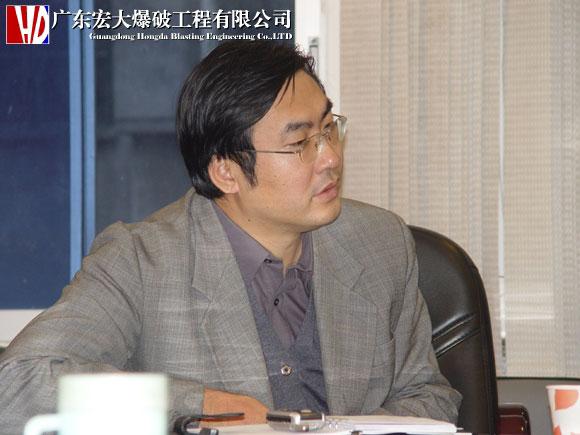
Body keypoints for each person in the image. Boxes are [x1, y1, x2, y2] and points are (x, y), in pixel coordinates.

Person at [0, 40, 461, 434]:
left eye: (328, 129)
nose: (331, 158)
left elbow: (428, 396)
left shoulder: (380, 243)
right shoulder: (141, 263)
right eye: (301, 143)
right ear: (226, 172)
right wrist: (204, 405)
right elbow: (16, 385)